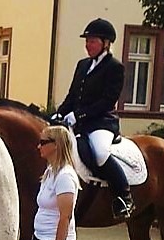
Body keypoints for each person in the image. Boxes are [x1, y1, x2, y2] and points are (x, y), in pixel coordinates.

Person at [54, 18, 132, 220]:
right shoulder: (83, 65)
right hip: (79, 122)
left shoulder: (115, 67)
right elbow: (72, 96)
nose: (88, 45)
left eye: (92, 41)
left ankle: (124, 196)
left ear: (105, 43)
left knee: (99, 153)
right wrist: (59, 113)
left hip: (102, 122)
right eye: (87, 41)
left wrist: (79, 114)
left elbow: (107, 101)